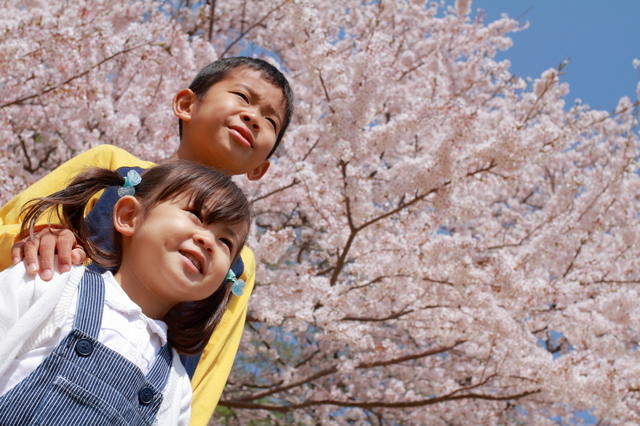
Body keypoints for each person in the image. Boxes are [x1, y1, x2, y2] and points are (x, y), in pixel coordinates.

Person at [0, 56, 294, 425]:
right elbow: (13, 226)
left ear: (260, 167)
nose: (253, 118)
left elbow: (208, 362)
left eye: (270, 121)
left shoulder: (237, 261)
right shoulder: (113, 168)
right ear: (187, 104)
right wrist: (36, 237)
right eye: (242, 97)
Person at [0, 160, 252, 425]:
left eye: (226, 241)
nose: (209, 241)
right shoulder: (54, 283)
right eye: (196, 215)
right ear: (128, 216)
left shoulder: (175, 385)